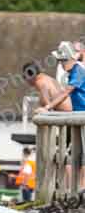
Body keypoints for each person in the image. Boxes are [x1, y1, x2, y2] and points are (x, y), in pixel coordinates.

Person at [37, 43, 85, 188]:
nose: (59, 64)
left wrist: (48, 107)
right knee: (77, 154)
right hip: (79, 117)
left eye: (60, 60)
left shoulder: (78, 72)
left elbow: (65, 93)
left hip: (82, 116)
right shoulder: (73, 73)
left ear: (66, 60)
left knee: (82, 156)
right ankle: (76, 190)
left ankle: (81, 189)